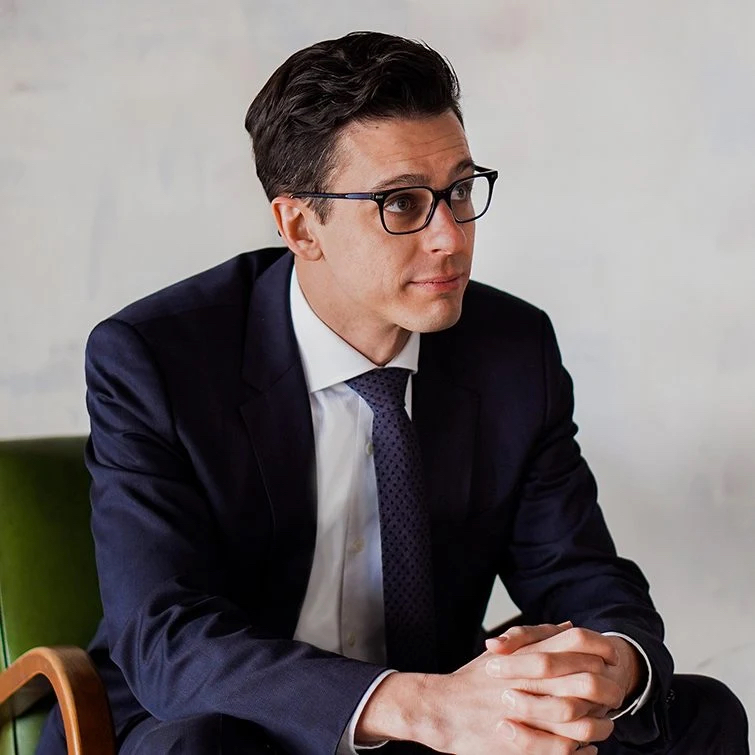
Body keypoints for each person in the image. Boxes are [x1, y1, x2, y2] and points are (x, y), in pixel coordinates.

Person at [38, 31, 748, 755]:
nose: (451, 238)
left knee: (698, 714)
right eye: (401, 204)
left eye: (460, 192)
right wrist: (418, 705)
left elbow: (578, 575)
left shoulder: (512, 350)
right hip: (230, 718)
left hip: (438, 716)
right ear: (299, 225)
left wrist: (612, 663)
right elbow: (166, 637)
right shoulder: (157, 359)